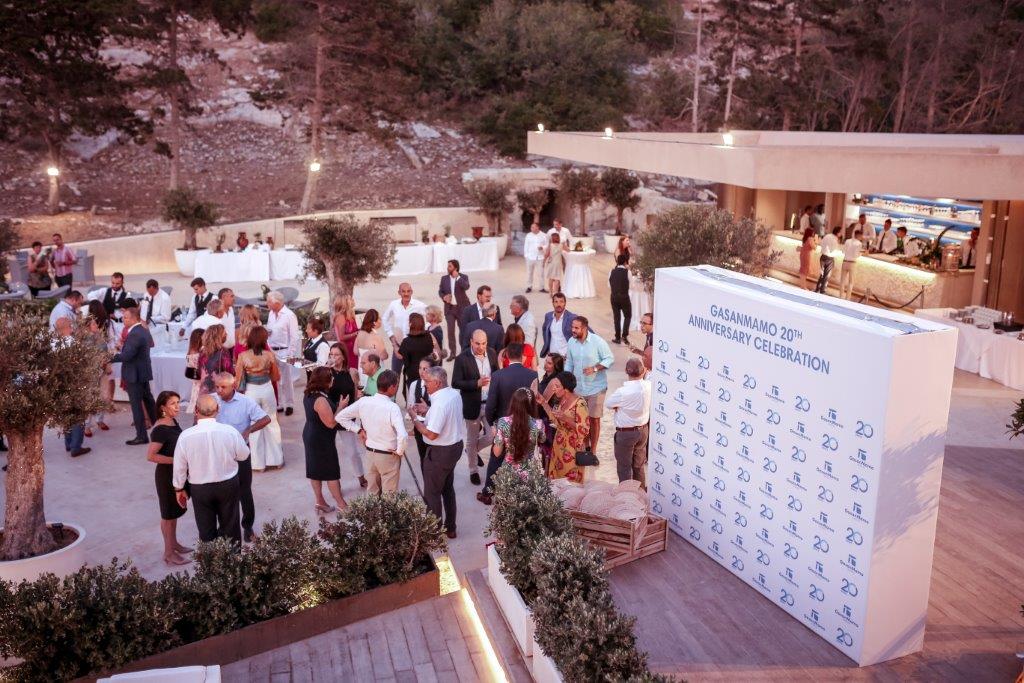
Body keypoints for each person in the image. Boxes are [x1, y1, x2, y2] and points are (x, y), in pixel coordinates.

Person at [172, 395, 249, 545]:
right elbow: (244, 455)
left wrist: (179, 488)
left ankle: (210, 559)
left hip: (200, 488)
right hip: (228, 484)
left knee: (206, 530)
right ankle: (232, 559)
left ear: (196, 410)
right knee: (231, 528)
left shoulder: (185, 436)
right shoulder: (230, 431)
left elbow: (179, 467)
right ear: (218, 410)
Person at [213, 372, 270, 542]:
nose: (219, 390)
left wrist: (248, 430)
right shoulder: (212, 400)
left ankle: (247, 527)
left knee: (244, 491)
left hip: (240, 453)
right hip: (218, 453)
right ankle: (224, 529)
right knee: (221, 491)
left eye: (223, 387)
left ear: (233, 386)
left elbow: (265, 419)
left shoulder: (245, 402)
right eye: (217, 386)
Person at [410, 366, 465, 539]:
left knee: (432, 493)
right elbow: (446, 415)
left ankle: (434, 533)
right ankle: (451, 528)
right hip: (454, 447)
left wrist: (414, 418)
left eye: (427, 382)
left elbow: (432, 434)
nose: (424, 384)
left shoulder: (440, 403)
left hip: (440, 452)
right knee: (447, 489)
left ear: (438, 383)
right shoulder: (453, 394)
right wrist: (428, 410)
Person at [336, 370, 407, 495]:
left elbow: (340, 417)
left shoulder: (364, 402)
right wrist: (399, 451)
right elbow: (403, 435)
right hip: (388, 455)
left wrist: (358, 430)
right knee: (389, 497)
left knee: (373, 495)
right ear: (392, 387)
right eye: (396, 385)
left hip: (370, 455)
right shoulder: (392, 407)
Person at [146, 391, 194, 566]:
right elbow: (151, 456)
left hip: (176, 474)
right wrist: (177, 460)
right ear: (163, 408)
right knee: (167, 515)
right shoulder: (160, 429)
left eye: (178, 402)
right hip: (166, 477)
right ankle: (168, 553)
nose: (178, 406)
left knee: (174, 513)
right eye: (173, 403)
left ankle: (174, 544)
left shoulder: (172, 421)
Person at [478, 387, 544, 504]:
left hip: (508, 473)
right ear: (532, 405)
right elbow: (542, 440)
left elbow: (497, 453)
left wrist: (497, 435)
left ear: (513, 403)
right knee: (524, 508)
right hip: (528, 473)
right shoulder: (538, 424)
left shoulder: (503, 422)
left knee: (505, 508)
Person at [234, 326, 284, 470]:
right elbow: (276, 376)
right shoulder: (269, 355)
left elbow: (238, 380)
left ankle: (258, 464)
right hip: (267, 389)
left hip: (251, 391)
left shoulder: (243, 356)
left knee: (254, 425)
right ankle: (276, 460)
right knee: (272, 422)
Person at [452, 329, 497, 485]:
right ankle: (473, 471)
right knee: (471, 439)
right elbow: (455, 382)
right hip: (472, 405)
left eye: (483, 343)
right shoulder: (462, 358)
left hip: (489, 404)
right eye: (477, 343)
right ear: (471, 341)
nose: (481, 347)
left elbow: (496, 374)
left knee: (493, 435)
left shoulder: (492, 353)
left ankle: (472, 451)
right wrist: (475, 383)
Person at [302, 366, 349, 514]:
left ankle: (320, 502)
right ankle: (342, 504)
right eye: (331, 377)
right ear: (325, 381)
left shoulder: (309, 393)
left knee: (315, 470)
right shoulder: (321, 400)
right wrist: (341, 407)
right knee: (331, 472)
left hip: (311, 434)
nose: (333, 379)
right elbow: (331, 423)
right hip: (321, 439)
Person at [563, 316, 613, 452]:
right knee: (582, 419)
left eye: (576, 328)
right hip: (579, 388)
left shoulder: (598, 341)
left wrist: (595, 368)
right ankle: (586, 447)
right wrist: (565, 379)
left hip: (596, 388)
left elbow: (609, 359)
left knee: (594, 419)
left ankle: (593, 450)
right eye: (572, 327)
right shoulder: (571, 342)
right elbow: (569, 362)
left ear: (584, 328)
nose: (573, 330)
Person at [113, 305, 157, 445]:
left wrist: (109, 357)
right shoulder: (143, 330)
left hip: (134, 374)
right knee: (149, 402)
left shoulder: (135, 333)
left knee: (137, 406)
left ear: (133, 319)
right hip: (142, 372)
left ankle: (142, 436)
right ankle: (160, 428)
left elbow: (127, 356)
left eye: (125, 318)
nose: (123, 320)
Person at [606, 358, 652, 488]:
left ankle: (626, 496)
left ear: (626, 371)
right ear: (643, 371)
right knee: (639, 466)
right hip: (643, 430)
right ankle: (640, 494)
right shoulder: (649, 386)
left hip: (626, 434)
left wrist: (618, 407)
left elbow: (609, 404)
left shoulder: (622, 392)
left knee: (624, 468)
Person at [536, 371, 589, 483]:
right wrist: (544, 403)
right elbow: (556, 420)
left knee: (570, 484)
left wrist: (566, 418)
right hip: (558, 447)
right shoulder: (562, 401)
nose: (553, 389)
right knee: (557, 482)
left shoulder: (580, 403)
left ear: (566, 389)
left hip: (572, 450)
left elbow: (584, 429)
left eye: (557, 386)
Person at [326, 343, 365, 489]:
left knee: (352, 451)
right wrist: (326, 369)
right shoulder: (326, 372)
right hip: (329, 415)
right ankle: (334, 483)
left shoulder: (352, 372)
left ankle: (361, 477)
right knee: (330, 452)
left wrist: (359, 398)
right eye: (331, 354)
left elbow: (355, 394)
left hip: (346, 417)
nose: (333, 357)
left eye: (336, 354)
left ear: (343, 357)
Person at [51, 318, 91, 457]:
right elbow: (82, 363)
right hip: (74, 383)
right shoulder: (73, 342)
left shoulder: (52, 343)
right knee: (78, 414)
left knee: (66, 414)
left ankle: (68, 443)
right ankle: (76, 446)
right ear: (68, 327)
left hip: (59, 384)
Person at [485, 342, 537, 426]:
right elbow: (535, 403)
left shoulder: (497, 375)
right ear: (522, 355)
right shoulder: (533, 375)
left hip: (503, 424)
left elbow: (490, 405)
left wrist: (492, 423)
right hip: (526, 424)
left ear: (507, 355)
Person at [266, 291, 300, 416]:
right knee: (274, 378)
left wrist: (290, 354)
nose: (267, 304)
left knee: (286, 380)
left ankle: (289, 404)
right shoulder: (271, 314)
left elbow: (294, 337)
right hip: (272, 351)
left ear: (277, 303)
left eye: (269, 302)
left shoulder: (289, 315)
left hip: (284, 351)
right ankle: (278, 403)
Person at [85, 301, 116, 435]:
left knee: (103, 396)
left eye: (96, 324)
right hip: (90, 372)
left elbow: (105, 351)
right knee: (89, 397)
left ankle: (100, 419)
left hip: (102, 371)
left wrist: (106, 364)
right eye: (93, 324)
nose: (96, 325)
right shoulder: (85, 339)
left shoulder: (100, 336)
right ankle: (86, 425)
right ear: (88, 326)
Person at [383, 282, 426, 375]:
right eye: (403, 291)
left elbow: (429, 319)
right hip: (398, 346)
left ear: (412, 292)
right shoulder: (394, 304)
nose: (406, 294)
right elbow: (385, 319)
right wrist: (392, 337)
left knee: (413, 375)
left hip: (414, 346)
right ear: (399, 292)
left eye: (408, 291)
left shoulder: (419, 305)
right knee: (394, 375)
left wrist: (421, 334)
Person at [407, 357, 441, 463]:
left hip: (433, 426)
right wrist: (413, 410)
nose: (422, 371)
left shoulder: (437, 384)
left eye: (425, 368)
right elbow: (410, 404)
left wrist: (428, 409)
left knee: (434, 457)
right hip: (419, 426)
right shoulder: (414, 384)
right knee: (423, 456)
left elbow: (441, 407)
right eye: (420, 368)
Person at [536, 353, 564, 472]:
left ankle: (548, 475)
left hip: (550, 419)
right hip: (544, 416)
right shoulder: (546, 377)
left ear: (556, 366)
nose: (546, 364)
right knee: (545, 451)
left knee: (548, 451)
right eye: (546, 361)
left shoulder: (555, 381)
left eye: (549, 363)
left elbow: (545, 399)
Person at [397, 312, 437, 392]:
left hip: (413, 375)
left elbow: (400, 356)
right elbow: (436, 350)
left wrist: (395, 345)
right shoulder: (429, 336)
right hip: (428, 372)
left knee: (414, 395)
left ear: (411, 324)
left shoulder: (407, 341)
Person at [439, 259, 470, 360]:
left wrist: (458, 278)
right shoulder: (444, 279)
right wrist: (444, 297)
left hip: (462, 309)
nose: (448, 268)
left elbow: (466, 286)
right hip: (450, 309)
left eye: (450, 266)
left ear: (455, 268)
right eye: (448, 266)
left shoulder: (463, 277)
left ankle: (464, 351)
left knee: (463, 330)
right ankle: (453, 353)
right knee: (450, 331)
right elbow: (440, 291)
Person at [198, 324, 233, 399]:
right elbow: (229, 372)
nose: (226, 334)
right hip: (219, 389)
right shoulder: (223, 352)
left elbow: (199, 370)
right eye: (224, 333)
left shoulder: (202, 351)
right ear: (218, 337)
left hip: (204, 388)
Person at [355, 309, 389, 386]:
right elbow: (383, 356)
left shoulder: (359, 334)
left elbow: (355, 351)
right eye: (379, 319)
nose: (381, 321)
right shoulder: (376, 337)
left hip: (363, 369)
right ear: (374, 322)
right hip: (374, 371)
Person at [540, 292, 576, 358]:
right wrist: (547, 347)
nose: (559, 304)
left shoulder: (572, 317)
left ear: (565, 303)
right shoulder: (548, 316)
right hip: (552, 356)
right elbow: (545, 331)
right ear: (553, 303)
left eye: (561, 302)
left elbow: (585, 331)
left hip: (565, 356)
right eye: (556, 302)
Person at [331, 295, 359, 374]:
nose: (353, 300)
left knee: (354, 372)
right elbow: (341, 337)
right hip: (346, 349)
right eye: (351, 299)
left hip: (353, 348)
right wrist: (355, 333)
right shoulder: (340, 317)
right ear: (346, 303)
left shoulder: (350, 315)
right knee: (348, 371)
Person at [609, 253, 632, 343]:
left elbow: (609, 285)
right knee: (627, 316)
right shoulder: (628, 272)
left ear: (617, 262)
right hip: (624, 297)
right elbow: (632, 285)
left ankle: (617, 338)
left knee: (616, 318)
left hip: (614, 297)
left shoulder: (612, 271)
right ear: (625, 262)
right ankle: (624, 336)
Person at [816, 226, 843, 294]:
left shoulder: (827, 236)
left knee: (822, 274)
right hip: (829, 259)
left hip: (822, 257)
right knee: (826, 276)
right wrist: (839, 251)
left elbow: (821, 244)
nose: (841, 234)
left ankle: (817, 289)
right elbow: (832, 250)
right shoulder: (834, 239)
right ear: (838, 233)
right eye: (841, 232)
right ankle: (822, 291)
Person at [184, 328, 204, 415]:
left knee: (195, 398)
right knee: (199, 401)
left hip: (196, 382)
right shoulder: (198, 355)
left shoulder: (191, 352)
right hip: (200, 382)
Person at [840, 229, 864, 300]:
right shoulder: (859, 243)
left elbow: (843, 251)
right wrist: (861, 253)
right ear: (859, 235)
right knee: (850, 282)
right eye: (861, 236)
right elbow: (856, 255)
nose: (862, 237)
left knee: (842, 281)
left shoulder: (847, 241)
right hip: (852, 263)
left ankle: (841, 296)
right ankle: (847, 298)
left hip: (845, 261)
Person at [523, 223, 548, 292]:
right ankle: (529, 287)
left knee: (541, 273)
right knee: (529, 273)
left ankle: (541, 288)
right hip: (530, 257)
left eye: (533, 227)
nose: (531, 229)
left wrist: (542, 247)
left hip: (540, 257)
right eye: (531, 227)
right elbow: (526, 246)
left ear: (537, 227)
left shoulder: (544, 235)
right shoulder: (528, 235)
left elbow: (547, 244)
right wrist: (526, 256)